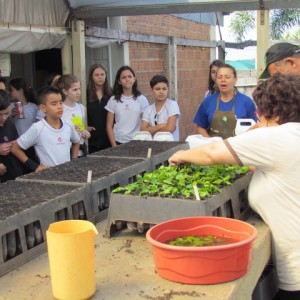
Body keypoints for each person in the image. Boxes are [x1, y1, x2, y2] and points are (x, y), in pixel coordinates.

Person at [169, 73, 300, 300]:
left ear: (275, 113)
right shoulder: (291, 135)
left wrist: (182, 154)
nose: (259, 119)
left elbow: (212, 152)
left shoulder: (277, 138)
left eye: (261, 113)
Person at [11, 86, 80, 172]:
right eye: (54, 104)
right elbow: (15, 148)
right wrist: (35, 167)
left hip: (67, 174)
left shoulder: (68, 124)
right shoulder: (37, 128)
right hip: (48, 177)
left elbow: (76, 141)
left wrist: (74, 161)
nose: (59, 107)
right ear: (43, 108)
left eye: (61, 102)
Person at [193, 63, 257, 139]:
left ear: (235, 79)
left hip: (238, 148)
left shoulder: (246, 102)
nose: (223, 80)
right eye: (219, 77)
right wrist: (210, 142)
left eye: (227, 77)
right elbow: (200, 127)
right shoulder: (208, 101)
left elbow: (255, 127)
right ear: (216, 80)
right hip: (214, 148)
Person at [105, 65, 149, 147]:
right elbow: (108, 125)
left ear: (134, 79)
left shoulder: (142, 99)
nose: (127, 79)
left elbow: (146, 123)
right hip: (118, 141)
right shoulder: (113, 100)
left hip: (137, 141)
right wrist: (114, 146)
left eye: (130, 76)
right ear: (119, 81)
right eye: (124, 77)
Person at [57, 74, 91, 157]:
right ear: (65, 91)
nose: (79, 92)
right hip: (66, 149)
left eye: (79, 89)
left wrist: (86, 134)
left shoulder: (81, 108)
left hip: (81, 148)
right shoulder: (60, 109)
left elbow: (81, 128)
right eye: (75, 89)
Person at [140, 75, 181, 141]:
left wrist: (151, 131)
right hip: (154, 147)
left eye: (164, 89)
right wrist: (160, 126)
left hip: (171, 147)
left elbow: (170, 128)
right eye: (157, 89)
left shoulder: (172, 105)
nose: (161, 92)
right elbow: (142, 131)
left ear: (167, 89)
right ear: (151, 89)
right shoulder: (148, 110)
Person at [86, 64, 112, 153]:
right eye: (96, 75)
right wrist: (84, 126)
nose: (100, 77)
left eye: (102, 74)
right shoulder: (86, 95)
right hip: (92, 140)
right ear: (91, 77)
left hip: (108, 138)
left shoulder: (112, 94)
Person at [0, 90, 24, 182]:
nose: (4, 118)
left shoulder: (9, 122)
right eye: (0, 115)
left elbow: (16, 144)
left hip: (13, 174)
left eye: (6, 113)